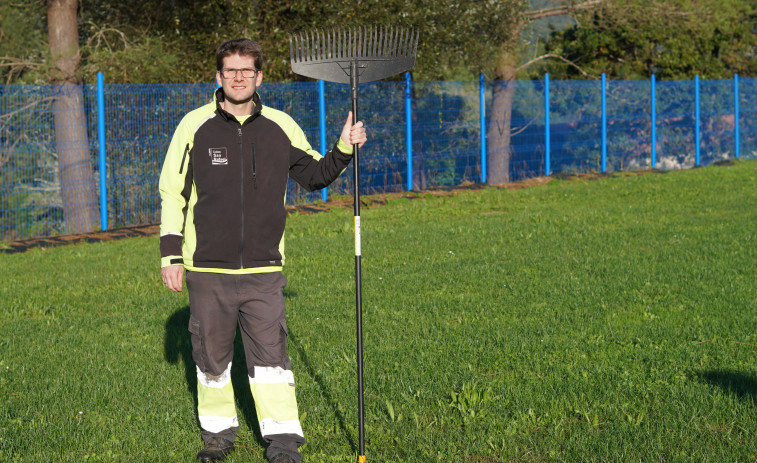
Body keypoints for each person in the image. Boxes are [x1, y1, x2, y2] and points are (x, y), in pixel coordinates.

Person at [159, 38, 367, 463]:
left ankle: (284, 443)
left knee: (271, 360)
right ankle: (218, 437)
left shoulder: (281, 126)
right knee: (211, 359)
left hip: (264, 269)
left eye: (246, 70)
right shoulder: (193, 126)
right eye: (230, 70)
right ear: (218, 77)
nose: (238, 77)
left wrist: (344, 147)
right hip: (207, 269)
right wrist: (171, 255)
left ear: (259, 76)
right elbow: (172, 193)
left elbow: (314, 175)